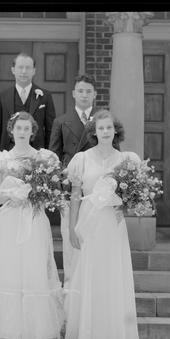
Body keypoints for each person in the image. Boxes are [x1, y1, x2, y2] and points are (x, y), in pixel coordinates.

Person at [0, 111, 65, 339]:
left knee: (34, 268)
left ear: (33, 131)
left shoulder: (44, 158)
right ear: (11, 131)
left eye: (27, 128)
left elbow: (48, 195)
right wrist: (15, 193)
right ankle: (9, 329)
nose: (23, 132)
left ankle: (36, 329)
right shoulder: (2, 159)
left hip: (34, 218)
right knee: (11, 269)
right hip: (11, 218)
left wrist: (33, 193)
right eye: (19, 128)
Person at [63, 109, 140, 339]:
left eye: (109, 127)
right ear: (94, 132)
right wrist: (72, 227)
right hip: (89, 223)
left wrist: (123, 204)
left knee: (112, 274)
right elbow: (75, 196)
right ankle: (87, 332)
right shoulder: (82, 159)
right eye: (101, 128)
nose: (105, 132)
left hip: (112, 224)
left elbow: (133, 196)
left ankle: (112, 333)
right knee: (90, 273)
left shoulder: (126, 159)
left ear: (115, 130)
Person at [49, 74, 102, 288]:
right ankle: (71, 282)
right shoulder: (61, 121)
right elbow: (54, 155)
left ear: (95, 95)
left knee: (93, 234)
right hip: (69, 188)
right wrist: (61, 181)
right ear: (73, 93)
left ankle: (92, 281)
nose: (84, 95)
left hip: (95, 189)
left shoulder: (103, 121)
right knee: (69, 234)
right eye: (80, 90)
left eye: (88, 91)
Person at [0, 53, 56, 151]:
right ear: (13, 70)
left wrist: (47, 154)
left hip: (36, 153)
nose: (24, 71)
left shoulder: (45, 96)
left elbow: (50, 129)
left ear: (34, 71)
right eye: (20, 67)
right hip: (8, 153)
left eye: (28, 68)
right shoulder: (2, 96)